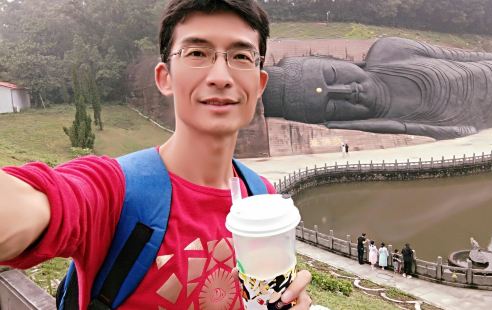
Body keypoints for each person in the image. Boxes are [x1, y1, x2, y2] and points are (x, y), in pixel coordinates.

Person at [0, 1, 311, 309]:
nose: (220, 76)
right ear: (165, 77)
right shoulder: (115, 190)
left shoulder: (262, 197)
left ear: (259, 84)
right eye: (197, 53)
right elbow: (40, 205)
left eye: (241, 56)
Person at [262, 37, 492, 140]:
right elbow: (459, 131)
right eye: (332, 104)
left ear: (330, 59)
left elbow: (463, 57)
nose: (348, 91)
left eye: (332, 75)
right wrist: (357, 125)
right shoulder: (389, 119)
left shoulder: (391, 51)